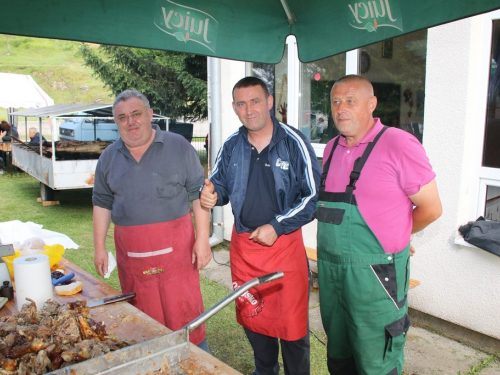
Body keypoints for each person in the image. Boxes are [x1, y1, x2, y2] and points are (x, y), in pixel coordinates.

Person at [316, 75, 442, 375]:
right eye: (335, 101)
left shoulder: (398, 144)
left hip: (376, 278)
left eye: (350, 101)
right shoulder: (331, 148)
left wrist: (398, 233)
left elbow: (432, 208)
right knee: (340, 355)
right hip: (332, 275)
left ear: (371, 104)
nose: (341, 109)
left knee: (376, 362)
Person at [200, 76, 321, 375]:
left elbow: (314, 197)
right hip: (245, 250)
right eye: (241, 104)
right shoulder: (230, 145)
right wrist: (211, 195)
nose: (249, 109)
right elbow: (220, 188)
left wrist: (277, 225)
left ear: (269, 102)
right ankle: (265, 371)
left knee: (292, 329)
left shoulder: (294, 143)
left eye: (255, 101)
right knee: (254, 318)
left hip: (285, 249)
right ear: (234, 107)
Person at [92, 89, 211, 351]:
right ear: (116, 122)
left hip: (177, 251)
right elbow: (102, 203)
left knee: (186, 312)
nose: (130, 121)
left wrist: (202, 239)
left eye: (136, 114)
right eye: (122, 117)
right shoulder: (108, 158)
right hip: (132, 254)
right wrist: (99, 247)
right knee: (143, 320)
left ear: (149, 114)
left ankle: (197, 357)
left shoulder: (178, 146)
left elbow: (198, 195)